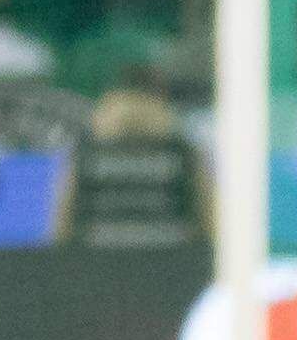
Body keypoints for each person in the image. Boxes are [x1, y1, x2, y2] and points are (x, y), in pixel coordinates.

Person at [57, 68, 209, 249]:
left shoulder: (88, 150)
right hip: (169, 264)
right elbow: (206, 219)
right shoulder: (181, 149)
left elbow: (64, 225)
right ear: (160, 97)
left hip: (98, 263)